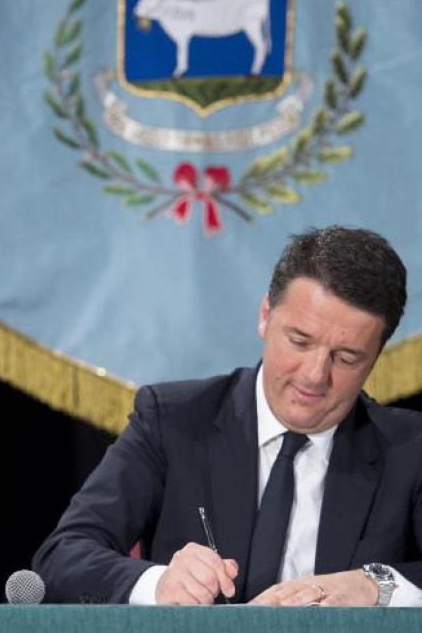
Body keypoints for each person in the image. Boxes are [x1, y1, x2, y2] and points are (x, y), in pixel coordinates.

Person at [33, 226, 422, 607]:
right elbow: (62, 557)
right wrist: (159, 583)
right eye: (300, 341)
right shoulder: (172, 421)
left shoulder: (409, 449)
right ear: (265, 315)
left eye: (346, 358)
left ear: (375, 357)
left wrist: (378, 585)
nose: (315, 375)